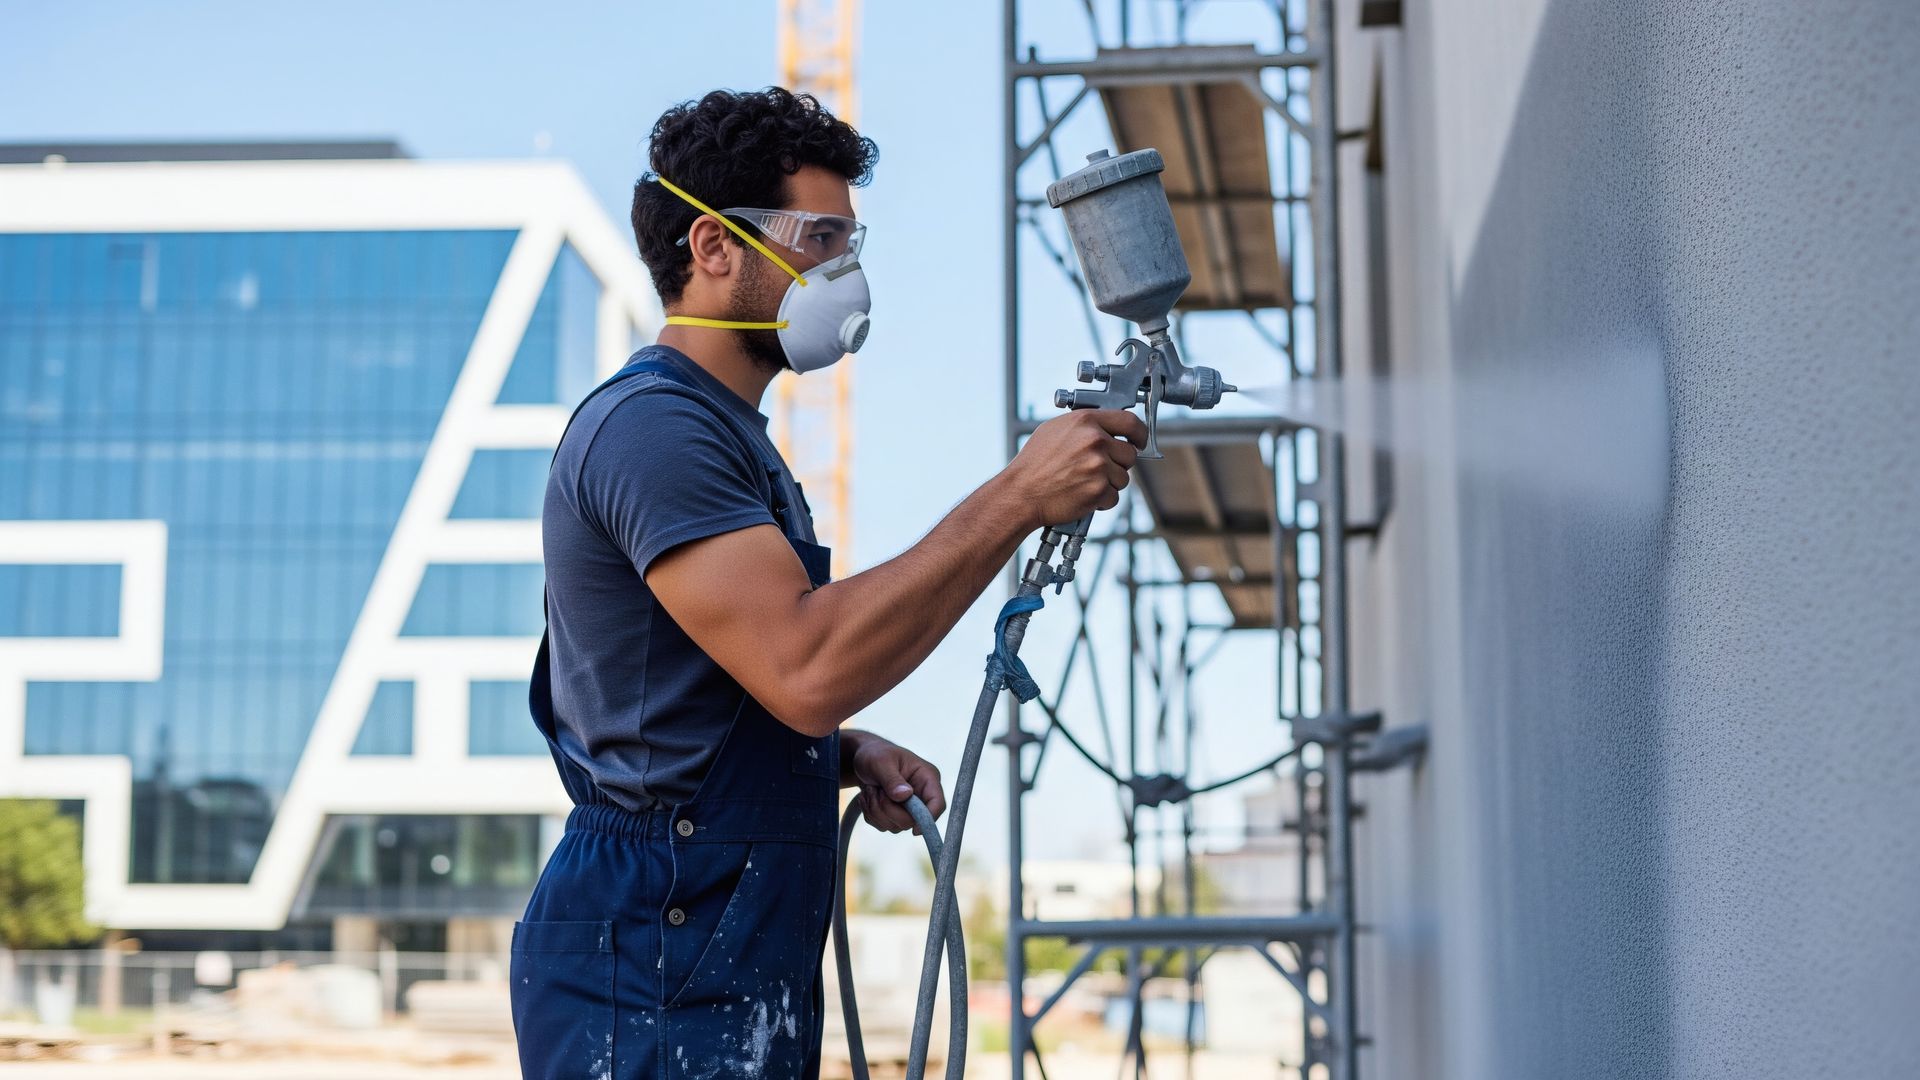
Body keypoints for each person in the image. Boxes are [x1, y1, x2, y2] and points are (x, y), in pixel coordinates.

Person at [510, 87, 1146, 1079]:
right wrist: (1018, 495)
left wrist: (830, 754)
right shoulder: (657, 432)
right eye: (820, 239)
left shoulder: (725, 439)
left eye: (851, 243)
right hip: (656, 953)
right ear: (713, 247)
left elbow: (692, 699)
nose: (845, 273)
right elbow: (804, 666)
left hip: (708, 937)